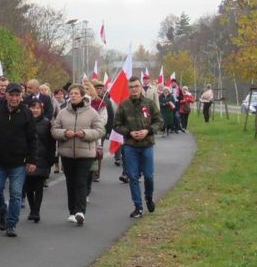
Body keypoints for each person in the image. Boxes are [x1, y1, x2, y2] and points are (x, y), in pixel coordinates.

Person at [0, 83, 38, 237]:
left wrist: (32, 160)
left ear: (21, 96)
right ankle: (3, 213)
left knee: (16, 194)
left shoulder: (27, 114)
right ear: (6, 95)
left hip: (19, 163)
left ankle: (11, 224)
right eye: (11, 95)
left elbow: (32, 138)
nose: (14, 98)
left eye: (17, 95)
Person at [51, 84, 106, 226]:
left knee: (81, 181)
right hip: (67, 153)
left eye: (76, 93)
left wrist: (85, 133)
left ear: (82, 96)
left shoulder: (92, 112)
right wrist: (64, 133)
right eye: (71, 93)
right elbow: (54, 130)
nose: (73, 96)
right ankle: (72, 211)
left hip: (85, 153)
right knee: (70, 182)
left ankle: (80, 211)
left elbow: (100, 130)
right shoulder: (63, 112)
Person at [114, 77, 163, 219]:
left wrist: (148, 130)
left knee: (148, 176)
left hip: (147, 145)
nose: (134, 89)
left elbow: (159, 121)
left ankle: (148, 197)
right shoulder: (123, 105)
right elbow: (116, 125)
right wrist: (129, 132)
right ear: (128, 89)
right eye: (131, 87)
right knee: (133, 177)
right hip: (130, 146)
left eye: (136, 86)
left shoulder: (149, 103)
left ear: (141, 87)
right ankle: (138, 206)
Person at [23, 97, 55, 223]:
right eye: (32, 107)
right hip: (27, 158)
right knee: (28, 187)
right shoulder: (24, 122)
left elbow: (51, 143)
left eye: (37, 108)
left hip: (42, 159)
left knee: (39, 186)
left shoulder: (47, 123)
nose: (35, 110)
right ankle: (32, 209)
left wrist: (51, 158)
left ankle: (36, 211)